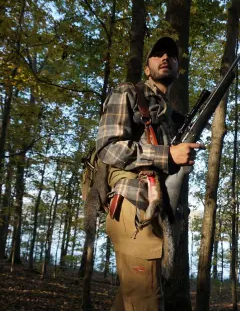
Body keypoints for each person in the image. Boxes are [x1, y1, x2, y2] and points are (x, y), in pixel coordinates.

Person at [96, 37, 204, 311]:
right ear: (147, 68)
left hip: (158, 214)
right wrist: (168, 154)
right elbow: (108, 148)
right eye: (158, 54)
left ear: (179, 69)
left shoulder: (171, 117)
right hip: (133, 207)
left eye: (172, 55)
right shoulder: (127, 93)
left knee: (133, 298)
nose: (165, 57)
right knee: (146, 301)